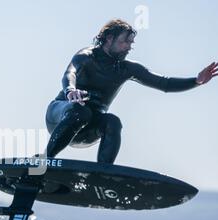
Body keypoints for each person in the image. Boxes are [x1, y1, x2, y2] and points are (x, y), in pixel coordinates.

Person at [44, 19, 217, 164]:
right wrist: (70, 90)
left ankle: (103, 175)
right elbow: (70, 72)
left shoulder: (127, 69)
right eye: (124, 42)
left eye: (130, 43)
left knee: (112, 122)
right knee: (80, 111)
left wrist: (196, 81)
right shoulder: (87, 56)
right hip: (61, 117)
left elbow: (164, 83)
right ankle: (46, 159)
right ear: (109, 39)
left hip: (87, 130)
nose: (128, 47)